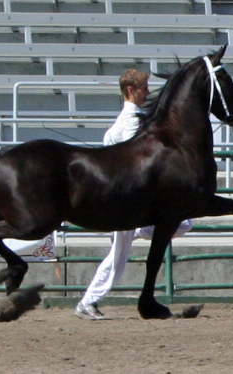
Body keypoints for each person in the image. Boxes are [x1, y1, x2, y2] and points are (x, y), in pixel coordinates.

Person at [74, 69, 193, 320]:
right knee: (118, 257)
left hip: (129, 201)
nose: (148, 93)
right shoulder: (130, 121)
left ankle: (140, 231)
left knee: (182, 224)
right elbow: (137, 158)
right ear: (131, 90)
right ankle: (88, 302)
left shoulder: (132, 119)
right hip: (125, 202)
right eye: (144, 88)